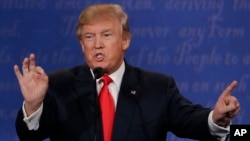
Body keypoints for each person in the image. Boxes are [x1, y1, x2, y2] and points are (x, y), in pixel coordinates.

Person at [14, 3, 240, 141]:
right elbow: (31, 136)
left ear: (125, 41)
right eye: (89, 37)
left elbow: (190, 121)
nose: (97, 44)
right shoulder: (58, 85)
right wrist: (33, 106)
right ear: (82, 45)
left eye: (106, 35)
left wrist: (216, 118)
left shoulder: (157, 87)